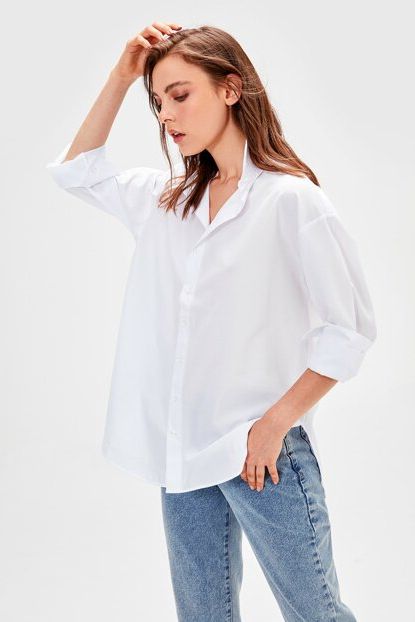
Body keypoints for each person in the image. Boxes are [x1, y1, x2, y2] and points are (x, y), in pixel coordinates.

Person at [46, 22, 377, 621]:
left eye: (180, 95)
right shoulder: (168, 201)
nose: (167, 116)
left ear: (230, 88)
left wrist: (273, 425)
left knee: (316, 614)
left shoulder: (290, 200)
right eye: (157, 102)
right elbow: (78, 172)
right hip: (184, 453)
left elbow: (347, 332)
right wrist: (122, 75)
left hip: (260, 455)